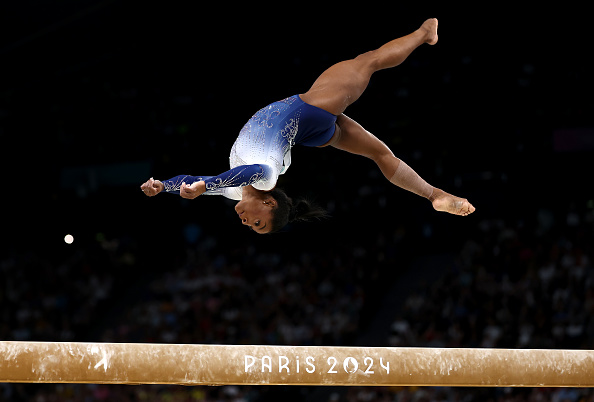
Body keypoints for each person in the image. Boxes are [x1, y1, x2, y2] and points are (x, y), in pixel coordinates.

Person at [141, 18, 475, 234]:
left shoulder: (230, 193)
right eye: (258, 222)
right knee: (368, 61)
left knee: (378, 153)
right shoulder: (267, 177)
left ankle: (435, 194)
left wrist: (164, 186)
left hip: (306, 131)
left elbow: (191, 181)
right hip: (309, 111)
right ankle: (422, 33)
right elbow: (247, 171)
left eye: (252, 227)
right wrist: (205, 186)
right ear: (269, 203)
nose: (247, 222)